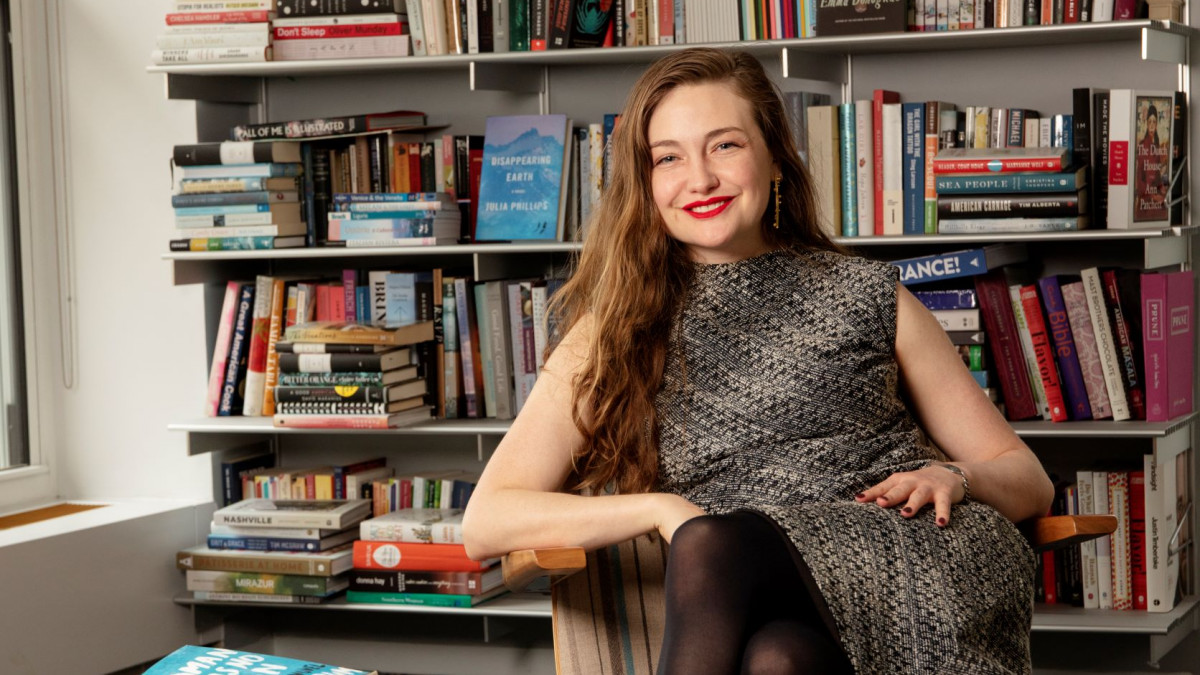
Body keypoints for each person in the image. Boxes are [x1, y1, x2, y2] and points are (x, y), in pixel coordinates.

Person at [462, 47, 1055, 675]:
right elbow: (488, 521)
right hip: (749, 585)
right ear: (646, 183)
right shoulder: (611, 331)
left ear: (773, 158)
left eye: (724, 146)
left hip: (911, 555)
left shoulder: (865, 293)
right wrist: (661, 509)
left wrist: (956, 477)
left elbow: (1028, 478)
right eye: (669, 157)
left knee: (716, 546)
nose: (700, 179)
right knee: (778, 659)